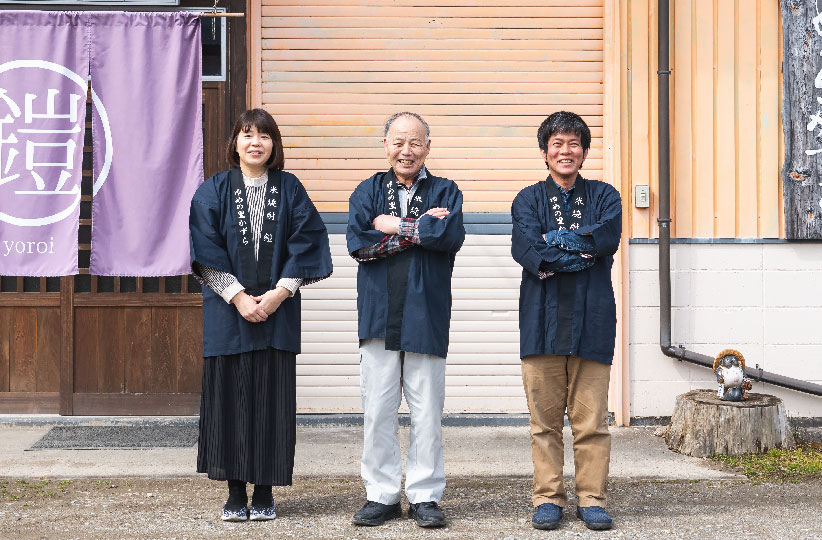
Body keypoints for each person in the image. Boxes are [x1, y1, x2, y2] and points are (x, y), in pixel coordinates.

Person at [189, 108, 332, 522]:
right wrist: (237, 297)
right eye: (247, 134)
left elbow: (307, 241)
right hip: (227, 315)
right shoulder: (212, 191)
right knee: (229, 402)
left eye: (264, 136)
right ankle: (235, 491)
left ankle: (265, 491)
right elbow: (205, 246)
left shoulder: (289, 189)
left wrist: (278, 294)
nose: (256, 142)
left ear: (274, 145)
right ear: (235, 142)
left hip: (276, 313)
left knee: (272, 402)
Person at [346, 112, 464, 528]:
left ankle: (425, 495)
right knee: (377, 410)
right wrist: (421, 229)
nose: (406, 150)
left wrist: (393, 227)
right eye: (398, 142)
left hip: (426, 313)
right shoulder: (367, 190)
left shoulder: (446, 190)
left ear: (427, 147)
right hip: (378, 314)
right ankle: (380, 495)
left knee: (427, 411)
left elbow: (447, 237)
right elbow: (359, 244)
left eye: (415, 142)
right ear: (385, 146)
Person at [511, 111, 622, 531]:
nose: (565, 151)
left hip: (593, 321)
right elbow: (527, 249)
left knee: (592, 422)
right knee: (544, 423)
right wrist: (580, 251)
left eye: (573, 143)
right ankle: (548, 498)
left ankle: (592, 499)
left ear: (585, 151)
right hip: (540, 323)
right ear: (545, 152)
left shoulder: (606, 196)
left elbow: (607, 238)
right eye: (557, 144)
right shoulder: (527, 199)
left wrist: (556, 240)